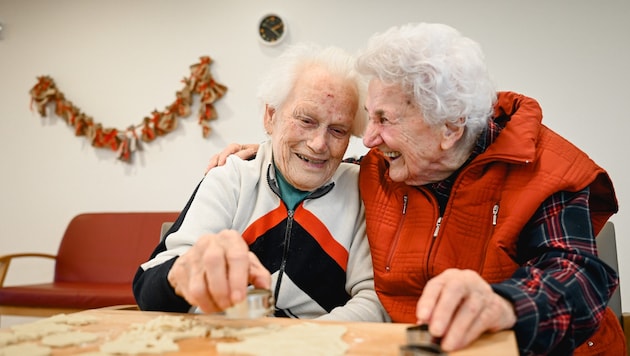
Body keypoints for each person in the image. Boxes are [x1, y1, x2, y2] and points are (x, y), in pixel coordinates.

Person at [206, 23, 625, 355]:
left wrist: (503, 306)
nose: (367, 138)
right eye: (368, 117)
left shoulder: (544, 169)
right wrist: (265, 156)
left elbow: (577, 276)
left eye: (385, 121)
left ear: (451, 128)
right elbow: (323, 160)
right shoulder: (383, 167)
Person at [133, 43, 388, 322]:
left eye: (338, 130)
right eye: (306, 120)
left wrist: (301, 345)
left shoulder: (363, 189)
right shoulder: (231, 177)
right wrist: (180, 274)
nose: (319, 144)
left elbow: (373, 301)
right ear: (271, 116)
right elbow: (148, 288)